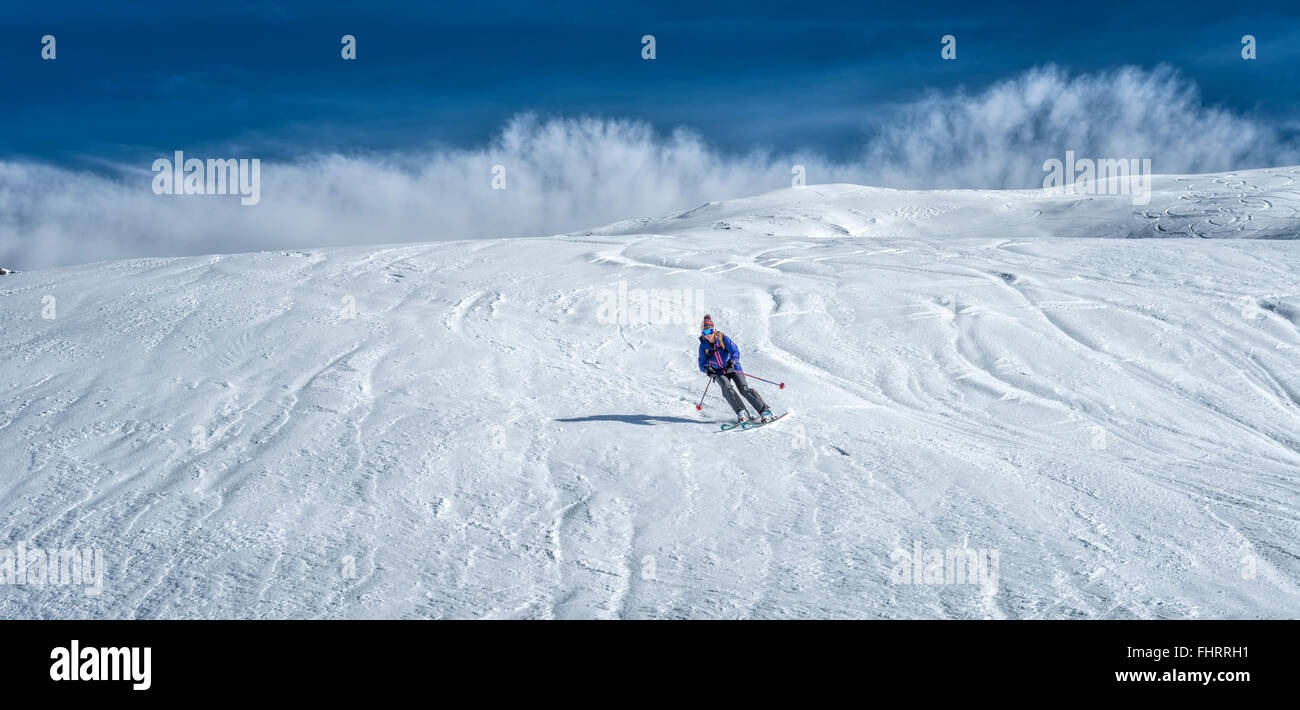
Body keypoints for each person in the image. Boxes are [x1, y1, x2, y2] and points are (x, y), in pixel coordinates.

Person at [697, 314, 774, 424]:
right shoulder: (703, 346)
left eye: (709, 331)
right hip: (718, 372)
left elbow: (735, 351)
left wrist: (733, 361)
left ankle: (765, 411)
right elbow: (702, 362)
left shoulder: (723, 338)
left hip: (732, 367)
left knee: (743, 389)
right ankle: (742, 412)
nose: (708, 335)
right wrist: (707, 369)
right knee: (726, 389)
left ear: (714, 330)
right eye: (705, 333)